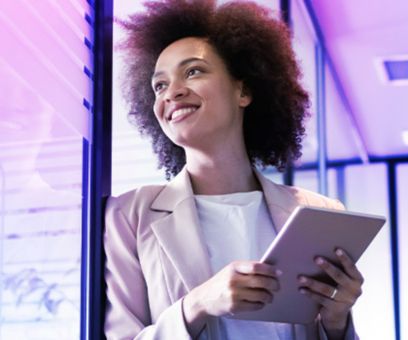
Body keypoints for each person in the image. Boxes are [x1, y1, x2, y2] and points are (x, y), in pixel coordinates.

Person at [105, 1, 363, 339]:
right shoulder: (129, 216)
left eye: (193, 71)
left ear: (243, 90)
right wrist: (197, 304)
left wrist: (337, 321)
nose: (173, 92)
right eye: (159, 85)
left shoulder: (319, 213)